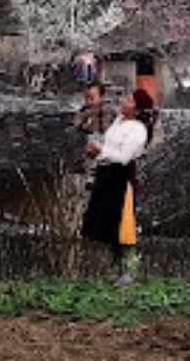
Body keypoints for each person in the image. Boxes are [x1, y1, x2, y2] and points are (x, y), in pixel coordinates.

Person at [80, 89, 157, 287]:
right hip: (105, 175)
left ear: (137, 109)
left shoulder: (138, 130)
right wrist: (95, 152)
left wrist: (101, 150)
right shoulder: (118, 122)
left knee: (122, 223)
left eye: (130, 100)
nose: (124, 101)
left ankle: (128, 272)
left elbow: (123, 157)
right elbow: (108, 148)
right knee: (104, 222)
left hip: (120, 178)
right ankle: (112, 269)